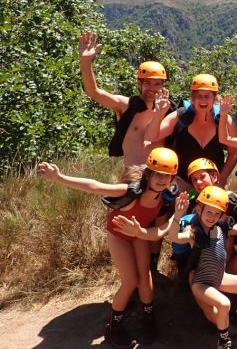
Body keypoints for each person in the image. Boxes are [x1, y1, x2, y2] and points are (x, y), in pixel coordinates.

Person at [36, 147, 180, 348]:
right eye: (158, 174)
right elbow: (94, 186)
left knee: (145, 279)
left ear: (173, 179)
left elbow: (159, 225)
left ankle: (148, 319)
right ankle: (114, 326)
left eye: (168, 176)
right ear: (148, 173)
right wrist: (59, 178)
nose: (162, 180)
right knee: (130, 282)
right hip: (119, 235)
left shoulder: (166, 197)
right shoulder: (131, 190)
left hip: (138, 234)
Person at [169, 187, 237, 349]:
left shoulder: (220, 228)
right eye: (209, 212)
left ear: (222, 215)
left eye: (217, 214)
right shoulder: (194, 232)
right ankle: (223, 341)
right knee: (224, 304)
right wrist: (177, 216)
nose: (212, 217)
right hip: (201, 283)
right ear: (199, 209)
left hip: (220, 278)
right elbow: (173, 237)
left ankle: (235, 314)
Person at [78, 31, 170, 167]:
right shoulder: (126, 106)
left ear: (163, 86)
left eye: (157, 84)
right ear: (139, 84)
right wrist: (85, 62)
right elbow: (94, 92)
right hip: (133, 178)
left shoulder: (170, 111)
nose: (152, 88)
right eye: (147, 83)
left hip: (160, 179)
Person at [145, 75, 237, 190]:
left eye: (207, 96)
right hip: (179, 183)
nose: (203, 100)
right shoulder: (181, 116)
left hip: (211, 185)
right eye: (199, 96)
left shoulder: (224, 120)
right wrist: (158, 113)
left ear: (214, 98)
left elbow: (233, 153)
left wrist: (222, 179)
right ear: (193, 98)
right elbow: (151, 137)